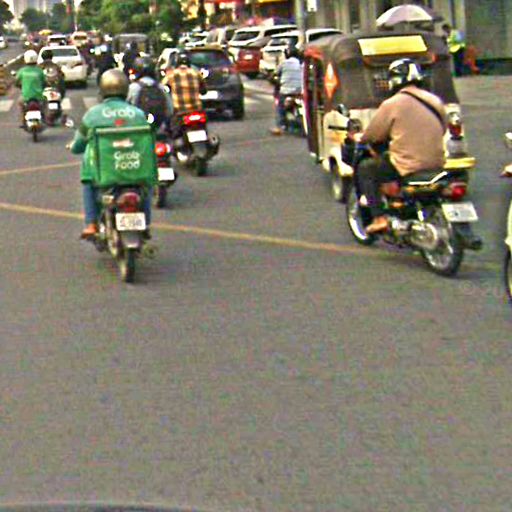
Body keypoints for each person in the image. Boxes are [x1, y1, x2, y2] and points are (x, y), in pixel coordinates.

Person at [357, 58, 447, 234]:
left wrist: (359, 136)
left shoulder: (392, 104)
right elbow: (443, 128)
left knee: (366, 168)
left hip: (407, 166)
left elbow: (372, 135)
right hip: (437, 163)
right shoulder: (435, 100)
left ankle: (379, 218)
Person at [69, 69, 154, 239]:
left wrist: (74, 147)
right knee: (145, 185)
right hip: (134, 167)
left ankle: (91, 223)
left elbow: (79, 144)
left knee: (87, 179)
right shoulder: (137, 114)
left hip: (105, 172)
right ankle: (146, 222)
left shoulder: (93, 115)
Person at [162, 51, 206, 136]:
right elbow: (204, 90)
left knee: (173, 133)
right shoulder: (196, 73)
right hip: (196, 109)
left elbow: (163, 87)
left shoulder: (171, 75)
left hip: (180, 111)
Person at [127, 56, 173, 130]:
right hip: (159, 129)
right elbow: (170, 111)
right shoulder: (161, 87)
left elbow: (127, 110)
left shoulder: (133, 88)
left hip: (139, 130)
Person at [270, 44, 303, 136]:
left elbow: (273, 75)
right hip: (299, 92)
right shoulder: (301, 64)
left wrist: (274, 81)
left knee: (280, 108)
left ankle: (280, 126)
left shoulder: (284, 63)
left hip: (285, 92)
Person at [15, 50, 46, 128]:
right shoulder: (39, 71)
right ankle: (44, 117)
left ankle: (23, 120)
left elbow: (16, 82)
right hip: (38, 96)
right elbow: (44, 82)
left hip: (26, 97)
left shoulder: (22, 71)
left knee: (20, 104)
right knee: (44, 103)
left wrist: (21, 86)